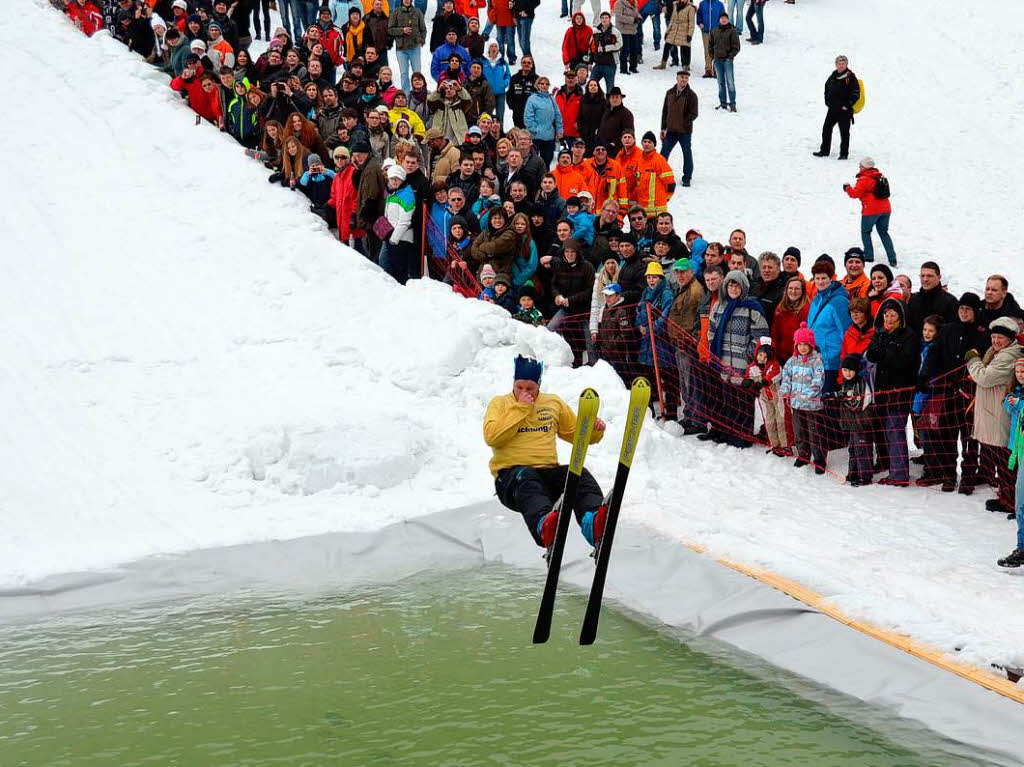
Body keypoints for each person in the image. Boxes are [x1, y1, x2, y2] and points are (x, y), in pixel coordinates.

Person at [484, 356, 608, 549]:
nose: (524, 392)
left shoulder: (552, 403)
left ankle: (592, 523)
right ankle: (544, 527)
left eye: (530, 388)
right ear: (513, 384)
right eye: (519, 387)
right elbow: (492, 436)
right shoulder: (500, 404)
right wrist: (521, 409)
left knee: (577, 474)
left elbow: (576, 434)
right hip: (511, 479)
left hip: (546, 475)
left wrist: (593, 429)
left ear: (538, 386)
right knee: (527, 477)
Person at [966, 318, 1024, 513]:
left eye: (1000, 337)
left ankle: (1010, 501)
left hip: (1001, 415)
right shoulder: (998, 352)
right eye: (993, 336)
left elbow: (985, 377)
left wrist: (972, 360)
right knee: (1001, 461)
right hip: (994, 413)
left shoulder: (1008, 356)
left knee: (1006, 462)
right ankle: (1006, 496)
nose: (996, 341)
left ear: (1009, 338)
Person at [708, 269, 768, 446]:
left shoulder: (752, 308)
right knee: (727, 400)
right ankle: (728, 432)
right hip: (724, 362)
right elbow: (712, 331)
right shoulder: (719, 306)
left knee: (743, 402)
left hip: (744, 365)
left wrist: (748, 354)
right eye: (730, 284)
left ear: (744, 287)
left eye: (737, 285)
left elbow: (762, 336)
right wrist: (715, 350)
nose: (734, 288)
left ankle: (743, 436)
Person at [865, 298, 919, 486]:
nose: (888, 318)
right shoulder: (880, 332)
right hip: (882, 390)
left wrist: (885, 350)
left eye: (893, 315)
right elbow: (871, 355)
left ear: (901, 317)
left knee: (895, 429)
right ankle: (893, 467)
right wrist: (878, 346)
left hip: (900, 391)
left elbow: (904, 362)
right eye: (886, 314)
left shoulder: (909, 336)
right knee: (888, 430)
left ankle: (899, 474)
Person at [779, 323, 827, 472]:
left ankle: (819, 459)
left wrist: (807, 395)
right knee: (799, 430)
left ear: (811, 345)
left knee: (814, 432)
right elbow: (786, 375)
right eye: (800, 344)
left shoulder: (816, 361)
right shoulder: (792, 361)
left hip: (811, 405)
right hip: (796, 405)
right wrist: (785, 389)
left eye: (806, 344)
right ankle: (803, 455)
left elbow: (818, 380)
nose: (803, 348)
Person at [636, 262, 678, 419]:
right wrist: (640, 325)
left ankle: (671, 413)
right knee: (648, 375)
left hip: (662, 341)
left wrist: (652, 328)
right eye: (649, 277)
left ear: (661, 277)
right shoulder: (646, 292)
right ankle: (650, 411)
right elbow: (639, 310)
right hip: (647, 341)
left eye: (654, 277)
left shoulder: (666, 293)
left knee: (668, 377)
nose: (651, 280)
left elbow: (666, 315)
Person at [844, 157, 897, 266]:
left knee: (866, 232)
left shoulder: (865, 179)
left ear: (865, 167)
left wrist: (847, 187)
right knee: (883, 233)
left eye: (860, 165)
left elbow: (854, 194)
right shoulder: (880, 176)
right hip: (886, 209)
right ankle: (892, 258)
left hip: (871, 210)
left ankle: (868, 256)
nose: (859, 167)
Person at [997, 360, 1024, 566]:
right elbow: (1007, 405)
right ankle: (1022, 548)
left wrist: (1020, 404)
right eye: (1018, 371)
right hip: (1020, 449)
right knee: (1021, 501)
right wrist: (1011, 401)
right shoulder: (1016, 390)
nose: (1021, 374)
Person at [836, 353, 874, 486]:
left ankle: (865, 475)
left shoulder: (861, 383)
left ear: (856, 370)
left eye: (850, 370)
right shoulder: (846, 383)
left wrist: (842, 399)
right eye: (845, 370)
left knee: (862, 448)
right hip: (852, 423)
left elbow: (857, 404)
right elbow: (844, 395)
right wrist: (836, 395)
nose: (847, 373)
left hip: (861, 423)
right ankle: (853, 472)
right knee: (852, 448)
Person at [813, 55, 860, 160]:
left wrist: (847, 105)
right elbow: (827, 88)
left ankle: (844, 154)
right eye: (839, 63)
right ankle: (824, 151)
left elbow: (856, 93)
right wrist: (828, 102)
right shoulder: (833, 75)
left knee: (844, 133)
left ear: (846, 64)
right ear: (836, 65)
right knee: (826, 129)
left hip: (844, 111)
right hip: (833, 109)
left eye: (843, 63)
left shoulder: (850, 77)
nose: (841, 65)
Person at [746, 337, 787, 455]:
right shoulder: (752, 367)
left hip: (777, 396)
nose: (762, 359)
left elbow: (776, 375)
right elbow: (748, 378)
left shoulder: (775, 365)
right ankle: (774, 444)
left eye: (766, 356)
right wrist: (748, 382)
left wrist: (764, 381)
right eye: (760, 355)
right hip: (764, 398)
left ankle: (785, 445)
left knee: (780, 419)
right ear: (756, 354)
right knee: (769, 420)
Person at [659, 69, 698, 187]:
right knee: (663, 154)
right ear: (677, 78)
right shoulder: (669, 92)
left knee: (687, 154)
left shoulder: (692, 95)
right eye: (682, 77)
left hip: (684, 132)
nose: (683, 80)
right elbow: (665, 111)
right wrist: (663, 128)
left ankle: (687, 177)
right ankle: (659, 174)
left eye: (686, 78)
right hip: (670, 131)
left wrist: (684, 122)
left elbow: (694, 114)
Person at [905, 261, 958, 332]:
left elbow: (952, 330)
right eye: (922, 276)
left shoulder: (950, 301)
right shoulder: (914, 299)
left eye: (929, 276)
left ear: (939, 277)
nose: (925, 279)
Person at [388, 0, 427, 91]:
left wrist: (422, 40)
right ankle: (406, 94)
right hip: (401, 48)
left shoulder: (417, 12)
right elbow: (390, 30)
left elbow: (423, 29)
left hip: (414, 47)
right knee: (404, 73)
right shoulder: (396, 12)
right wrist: (402, 30)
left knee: (417, 72)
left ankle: (419, 91)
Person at [524, 77, 563, 166]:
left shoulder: (551, 99)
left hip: (550, 136)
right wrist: (534, 130)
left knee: (547, 161)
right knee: (534, 161)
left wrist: (559, 130)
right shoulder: (532, 99)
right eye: (542, 83)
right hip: (536, 137)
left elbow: (557, 115)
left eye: (546, 84)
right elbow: (528, 117)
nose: (544, 86)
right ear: (537, 85)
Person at [636, 132, 676, 218]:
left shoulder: (659, 160)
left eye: (650, 142)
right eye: (645, 141)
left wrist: (665, 199)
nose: (646, 144)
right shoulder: (639, 160)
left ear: (654, 145)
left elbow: (671, 184)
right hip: (642, 212)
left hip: (657, 212)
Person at [709, 11, 739, 112]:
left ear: (728, 19)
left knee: (730, 82)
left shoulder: (732, 31)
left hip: (727, 60)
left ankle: (733, 104)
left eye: (725, 18)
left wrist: (730, 57)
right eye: (722, 18)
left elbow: (736, 47)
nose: (723, 19)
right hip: (717, 60)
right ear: (719, 20)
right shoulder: (714, 31)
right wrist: (712, 56)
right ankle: (723, 103)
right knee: (720, 83)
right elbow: (710, 45)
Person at [657, 0, 696, 70]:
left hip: (684, 30)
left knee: (685, 48)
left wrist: (689, 34)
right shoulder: (675, 5)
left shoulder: (691, 8)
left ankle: (686, 66)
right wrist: (667, 31)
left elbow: (691, 23)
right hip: (674, 29)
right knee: (667, 45)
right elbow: (672, 20)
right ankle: (663, 64)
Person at [589, 13, 622, 92]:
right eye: (602, 18)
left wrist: (605, 48)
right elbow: (591, 47)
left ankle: (609, 103)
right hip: (598, 64)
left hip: (610, 64)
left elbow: (619, 45)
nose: (604, 19)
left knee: (610, 88)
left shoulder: (615, 31)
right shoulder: (596, 31)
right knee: (591, 84)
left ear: (610, 19)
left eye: (606, 18)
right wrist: (590, 62)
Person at [482, 42, 512, 126]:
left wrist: (505, 83)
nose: (493, 48)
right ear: (488, 48)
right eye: (491, 46)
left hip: (500, 93)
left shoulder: (502, 62)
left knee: (500, 116)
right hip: (488, 93)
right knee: (487, 116)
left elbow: (508, 75)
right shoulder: (483, 61)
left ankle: (500, 133)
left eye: (495, 46)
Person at [695, 0, 725, 78]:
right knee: (707, 50)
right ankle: (708, 70)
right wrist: (700, 23)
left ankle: (716, 70)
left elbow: (723, 17)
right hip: (706, 31)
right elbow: (699, 15)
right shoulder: (702, 4)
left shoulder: (719, 4)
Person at [615, 0, 641, 76]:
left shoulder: (634, 2)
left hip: (633, 30)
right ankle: (623, 69)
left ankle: (633, 67)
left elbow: (637, 13)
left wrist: (639, 18)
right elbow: (619, 17)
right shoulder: (619, 3)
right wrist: (633, 20)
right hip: (623, 31)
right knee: (625, 51)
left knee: (634, 50)